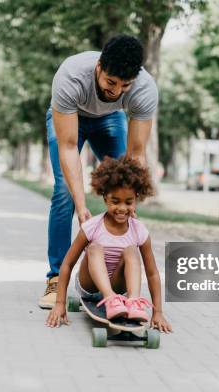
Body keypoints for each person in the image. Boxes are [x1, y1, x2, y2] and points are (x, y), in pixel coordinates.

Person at [39, 34, 158, 309]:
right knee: (64, 192)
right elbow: (69, 148)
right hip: (71, 116)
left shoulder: (144, 89)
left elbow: (136, 154)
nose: (115, 91)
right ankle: (56, 277)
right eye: (110, 82)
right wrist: (82, 207)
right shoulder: (71, 75)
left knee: (123, 187)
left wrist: (132, 201)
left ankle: (119, 280)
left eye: (124, 86)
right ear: (99, 68)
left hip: (110, 119)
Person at [45, 156, 172, 333]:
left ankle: (133, 301)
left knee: (131, 250)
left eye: (128, 202)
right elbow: (67, 264)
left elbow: (152, 273)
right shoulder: (92, 227)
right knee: (95, 247)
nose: (122, 208)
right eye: (115, 201)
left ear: (136, 199)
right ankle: (109, 298)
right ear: (105, 198)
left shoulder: (139, 231)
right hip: (90, 285)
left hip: (119, 287)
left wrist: (158, 312)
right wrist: (59, 303)